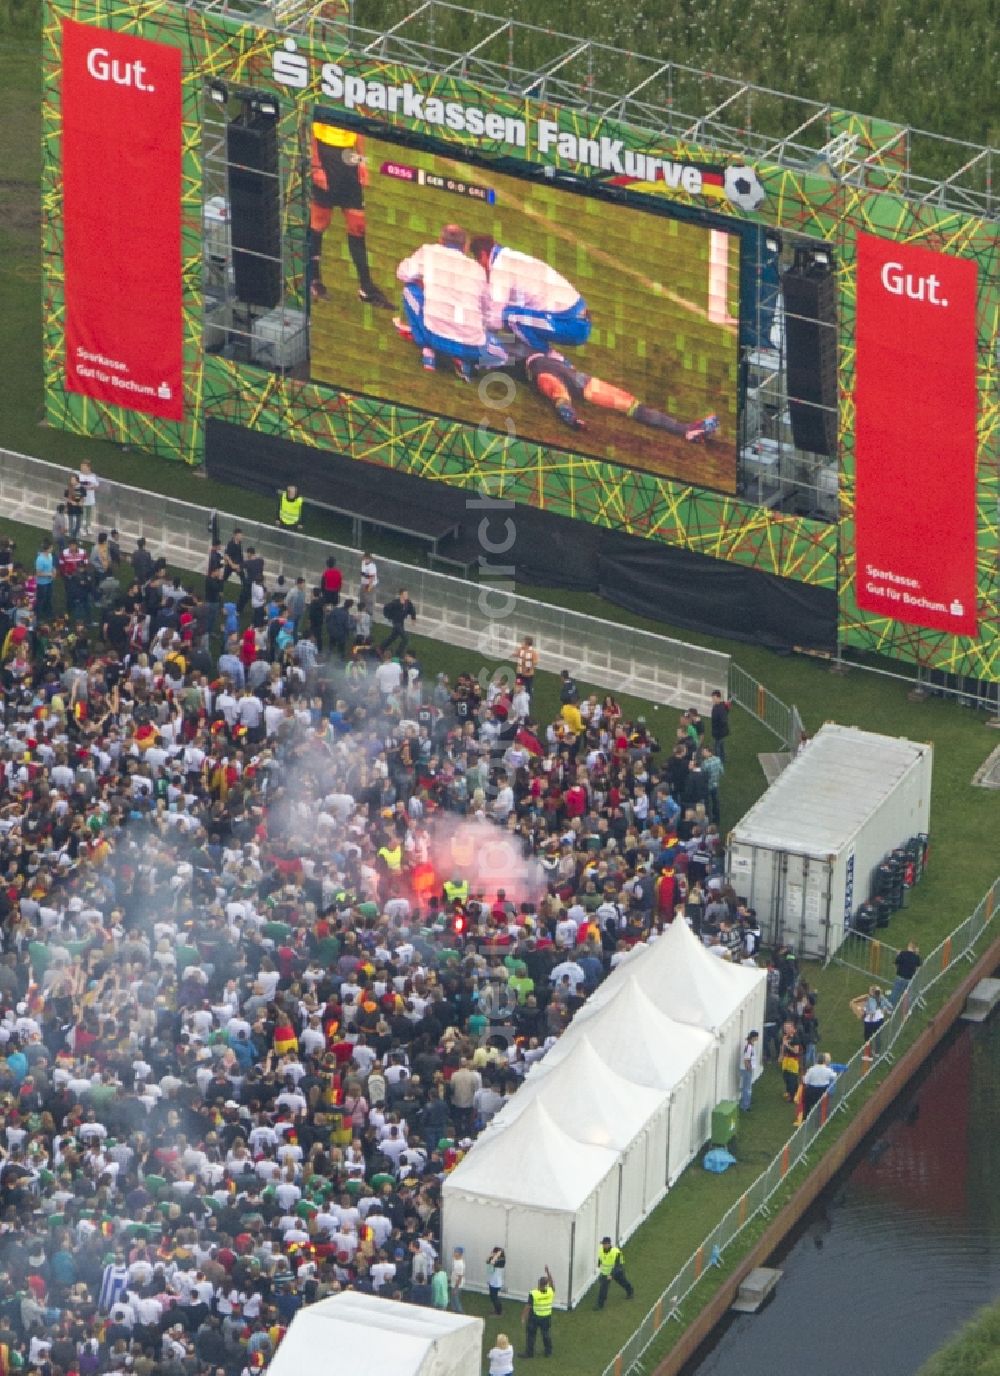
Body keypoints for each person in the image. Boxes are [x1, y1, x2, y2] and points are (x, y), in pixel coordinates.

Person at [516, 347, 718, 441]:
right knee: (559, 392)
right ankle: (686, 430)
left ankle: (687, 430)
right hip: (551, 372)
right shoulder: (536, 370)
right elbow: (556, 392)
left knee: (629, 404)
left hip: (571, 375)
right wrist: (572, 419)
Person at [396, 224, 506, 379]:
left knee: (410, 290)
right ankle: (463, 360)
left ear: (441, 240)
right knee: (501, 349)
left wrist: (425, 282)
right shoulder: (478, 269)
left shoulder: (429, 251)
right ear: (465, 247)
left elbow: (403, 273)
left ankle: (429, 351)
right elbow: (488, 312)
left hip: (434, 336)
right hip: (472, 347)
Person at [308, 118, 392, 307]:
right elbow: (312, 131)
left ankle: (366, 288)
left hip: (349, 157)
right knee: (320, 221)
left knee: (358, 225)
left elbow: (359, 128)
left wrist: (362, 162)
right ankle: (314, 280)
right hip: (326, 153)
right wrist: (316, 166)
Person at [470, 235, 591, 350]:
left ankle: (547, 358)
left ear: (483, 255)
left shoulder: (499, 268)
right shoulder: (510, 257)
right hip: (578, 319)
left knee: (510, 317)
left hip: (571, 324)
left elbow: (495, 321)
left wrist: (475, 334)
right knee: (516, 317)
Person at [520, 1265, 554, 1359]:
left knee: (531, 1335)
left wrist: (523, 1317)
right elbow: (552, 1283)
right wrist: (548, 1272)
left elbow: (528, 1306)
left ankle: (529, 1353)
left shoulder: (534, 1293)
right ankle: (548, 1351)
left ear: (539, 1284)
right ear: (546, 1284)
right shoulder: (550, 1291)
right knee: (546, 1334)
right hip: (546, 1317)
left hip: (534, 1317)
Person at [595, 1237, 633, 1309]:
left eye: (604, 1244)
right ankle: (600, 1304)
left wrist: (611, 1275)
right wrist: (599, 1264)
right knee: (603, 1287)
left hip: (617, 1271)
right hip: (605, 1272)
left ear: (608, 1244)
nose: (603, 1245)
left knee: (623, 1282)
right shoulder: (601, 1250)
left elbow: (617, 1265)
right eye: (603, 1244)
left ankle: (630, 1291)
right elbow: (600, 1258)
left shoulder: (615, 1252)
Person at [382, 588, 417, 655]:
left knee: (393, 637)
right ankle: (397, 655)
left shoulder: (408, 603)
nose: (407, 595)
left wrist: (413, 619)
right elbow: (386, 608)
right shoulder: (395, 603)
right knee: (405, 638)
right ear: (401, 595)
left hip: (401, 622)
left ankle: (381, 647)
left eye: (407, 594)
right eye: (405, 594)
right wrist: (388, 617)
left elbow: (412, 610)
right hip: (396, 623)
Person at [779, 1021, 803, 1102]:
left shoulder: (795, 1038)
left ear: (793, 1028)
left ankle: (792, 1096)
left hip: (793, 1060)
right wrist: (781, 1055)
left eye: (788, 1028)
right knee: (785, 1076)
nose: (786, 1029)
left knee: (792, 1078)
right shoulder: (785, 1037)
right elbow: (782, 1046)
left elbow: (796, 1051)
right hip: (786, 1059)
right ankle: (790, 1092)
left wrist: (787, 1045)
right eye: (785, 1028)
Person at [77, 458, 99, 537]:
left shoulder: (93, 476)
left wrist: (89, 487)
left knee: (89, 513)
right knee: (82, 513)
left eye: (84, 466)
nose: (82, 468)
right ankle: (81, 528)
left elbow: (96, 486)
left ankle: (88, 527)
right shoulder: (79, 475)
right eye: (81, 466)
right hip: (82, 498)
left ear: (88, 467)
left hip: (90, 498)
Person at [739, 1030, 759, 1112]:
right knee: (747, 1088)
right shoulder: (749, 1047)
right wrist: (749, 1068)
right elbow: (746, 1059)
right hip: (746, 1069)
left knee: (747, 1087)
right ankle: (745, 1106)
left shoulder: (750, 1045)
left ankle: (746, 1102)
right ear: (754, 1037)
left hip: (747, 1069)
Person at [710, 689, 731, 763]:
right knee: (721, 746)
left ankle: (718, 761)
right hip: (720, 731)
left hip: (719, 732)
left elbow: (723, 720)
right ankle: (723, 758)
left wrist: (718, 727)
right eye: (712, 697)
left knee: (717, 748)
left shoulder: (720, 708)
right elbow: (727, 709)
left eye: (714, 697)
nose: (712, 699)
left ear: (718, 697)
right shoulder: (721, 705)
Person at [486, 1245, 507, 1315]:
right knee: (492, 1297)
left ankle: (499, 1311)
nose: (493, 1253)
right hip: (492, 1281)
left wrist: (496, 1255)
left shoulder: (501, 1260)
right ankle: (496, 1309)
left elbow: (492, 1262)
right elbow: (487, 1261)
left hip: (496, 1282)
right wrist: (491, 1255)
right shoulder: (495, 1258)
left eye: (495, 1252)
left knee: (494, 1297)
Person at [448, 1245, 466, 1313]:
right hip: (453, 1283)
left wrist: (456, 1288)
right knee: (452, 1299)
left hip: (457, 1285)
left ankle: (460, 1312)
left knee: (456, 1299)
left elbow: (460, 1277)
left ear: (459, 1254)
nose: (454, 1253)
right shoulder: (455, 1260)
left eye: (456, 1252)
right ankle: (454, 1311)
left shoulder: (460, 1264)